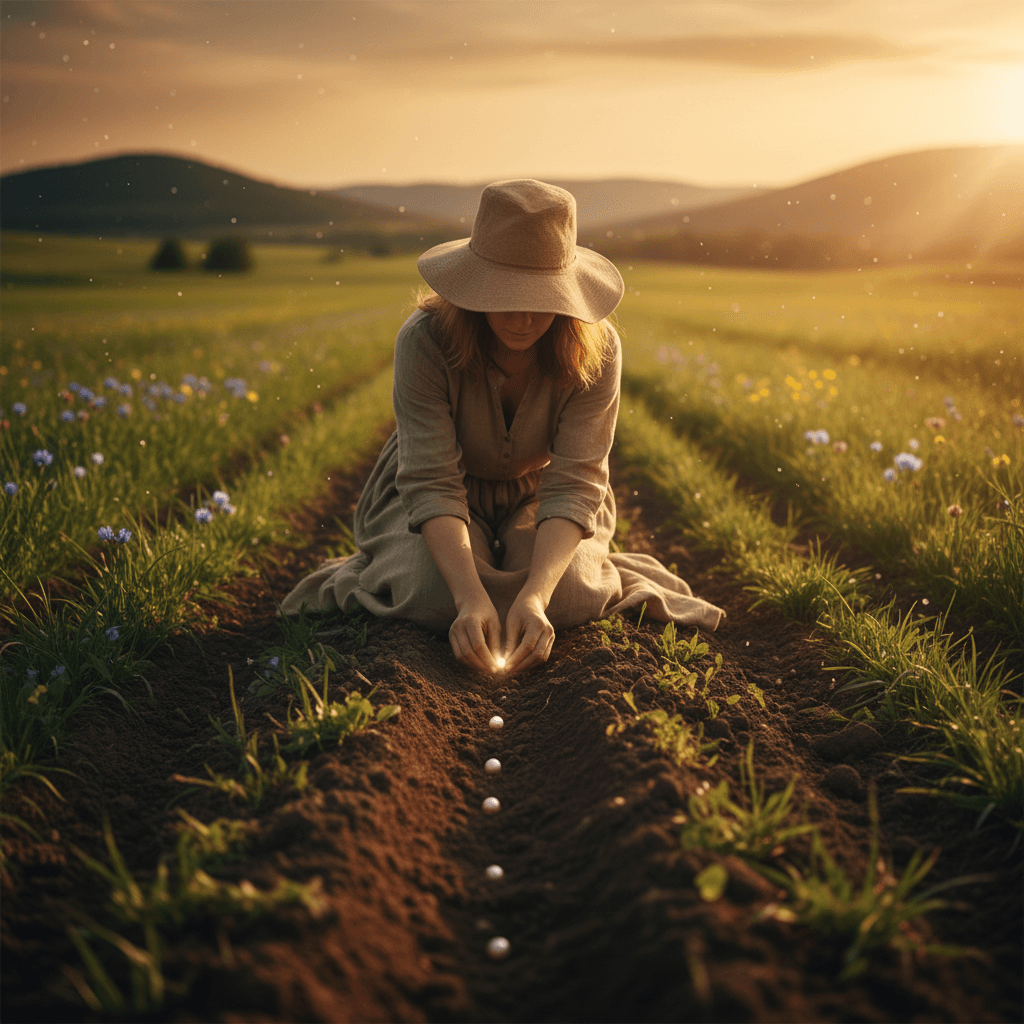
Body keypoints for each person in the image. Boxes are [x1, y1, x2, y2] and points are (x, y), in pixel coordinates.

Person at [281, 179, 724, 674]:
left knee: (567, 596)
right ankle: (379, 567)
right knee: (437, 599)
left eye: (542, 296)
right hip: (437, 493)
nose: (523, 317)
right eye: (505, 294)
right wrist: (470, 598)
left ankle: (574, 570)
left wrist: (535, 597)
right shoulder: (425, 340)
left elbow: (576, 479)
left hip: (538, 490)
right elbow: (431, 480)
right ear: (475, 283)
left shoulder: (597, 351)